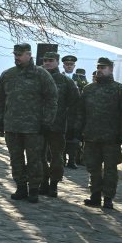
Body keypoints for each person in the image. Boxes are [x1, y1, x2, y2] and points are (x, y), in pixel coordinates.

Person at [0, 43, 57, 204]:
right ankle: (21, 186)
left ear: (29, 55)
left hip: (34, 128)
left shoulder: (41, 74)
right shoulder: (8, 74)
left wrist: (47, 121)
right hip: (12, 126)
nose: (17, 58)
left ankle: (34, 189)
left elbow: (52, 98)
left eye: (20, 55)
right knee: (16, 158)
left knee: (34, 159)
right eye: (15, 55)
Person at [75, 57, 122, 210]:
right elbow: (81, 112)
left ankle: (108, 198)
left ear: (111, 69)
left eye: (104, 67)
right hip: (91, 136)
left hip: (111, 138)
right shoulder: (88, 89)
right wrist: (79, 129)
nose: (100, 70)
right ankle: (95, 195)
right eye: (99, 67)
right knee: (92, 167)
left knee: (110, 169)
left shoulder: (120, 90)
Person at [37, 52, 80, 198]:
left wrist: (73, 126)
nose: (47, 63)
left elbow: (74, 104)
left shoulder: (66, 82)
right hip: (38, 125)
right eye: (45, 60)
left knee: (57, 157)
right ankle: (43, 182)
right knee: (39, 156)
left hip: (57, 125)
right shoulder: (38, 78)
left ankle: (54, 184)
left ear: (56, 62)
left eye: (50, 60)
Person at [61, 54, 86, 168]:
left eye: (71, 64)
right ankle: (61, 159)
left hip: (75, 112)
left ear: (74, 66)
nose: (69, 66)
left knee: (74, 137)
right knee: (61, 136)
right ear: (63, 65)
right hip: (62, 112)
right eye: (67, 64)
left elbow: (84, 94)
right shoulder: (59, 77)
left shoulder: (81, 79)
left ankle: (72, 160)